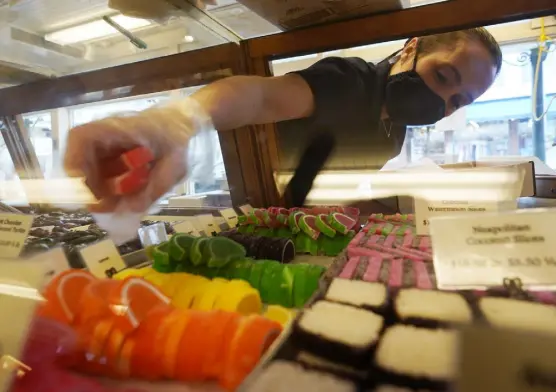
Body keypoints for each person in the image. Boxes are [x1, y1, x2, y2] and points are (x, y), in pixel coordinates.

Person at [64, 28, 502, 213]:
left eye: (456, 101)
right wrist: (177, 121)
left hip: (299, 226)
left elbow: (323, 179)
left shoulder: (397, 128)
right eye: (443, 76)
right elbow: (259, 98)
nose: (440, 100)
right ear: (411, 49)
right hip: (252, 215)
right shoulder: (350, 81)